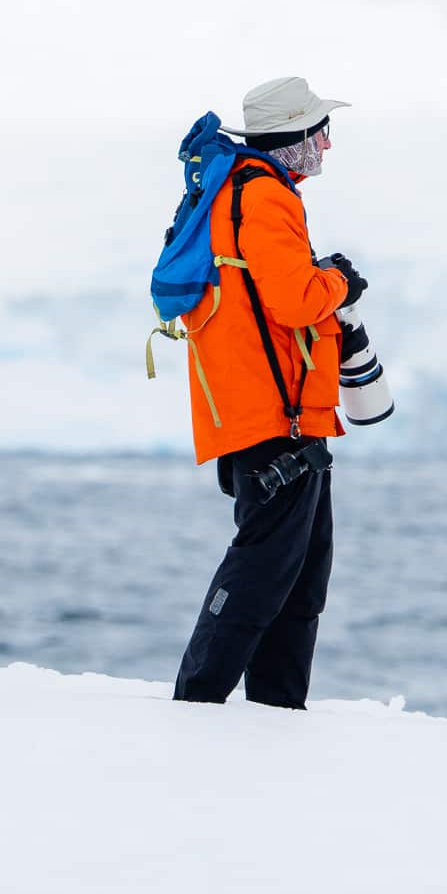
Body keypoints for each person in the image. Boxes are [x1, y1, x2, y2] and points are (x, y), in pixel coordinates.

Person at [172, 76, 368, 709]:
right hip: (277, 421)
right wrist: (338, 281)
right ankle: (198, 704)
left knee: (299, 578)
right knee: (263, 570)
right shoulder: (265, 198)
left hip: (280, 419)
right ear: (293, 136)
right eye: (320, 132)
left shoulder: (239, 191)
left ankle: (278, 714)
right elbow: (295, 300)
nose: (327, 145)